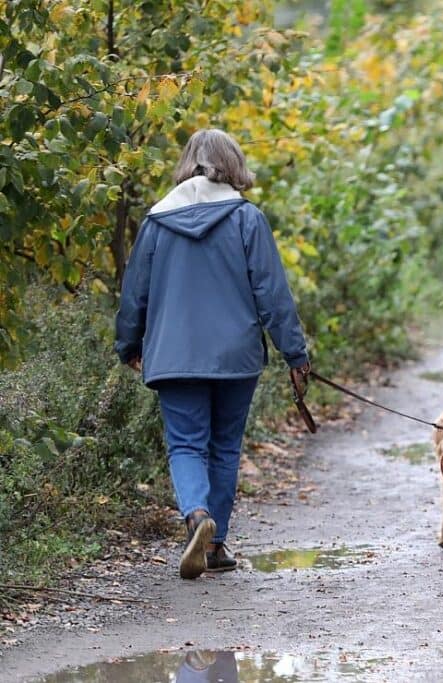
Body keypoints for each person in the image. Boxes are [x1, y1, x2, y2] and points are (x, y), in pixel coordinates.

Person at [114, 129, 310, 579]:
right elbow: (272, 293)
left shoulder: (156, 221)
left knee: (186, 444)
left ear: (187, 164)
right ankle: (216, 544)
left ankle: (197, 516)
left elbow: (134, 294)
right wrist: (295, 354)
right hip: (235, 356)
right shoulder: (247, 219)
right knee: (224, 446)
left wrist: (129, 344)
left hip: (174, 355)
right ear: (234, 165)